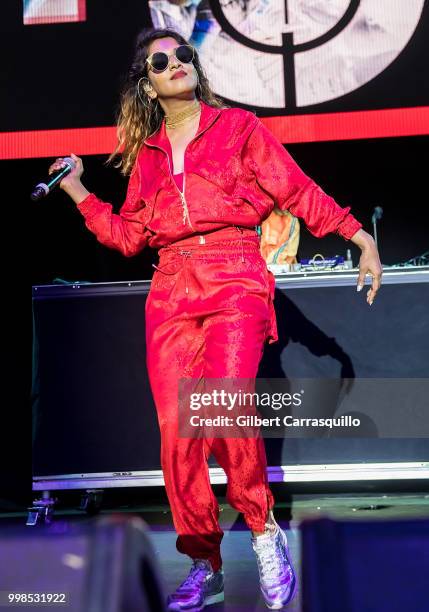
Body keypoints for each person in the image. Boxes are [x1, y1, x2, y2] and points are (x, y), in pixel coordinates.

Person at [48, 27, 382, 611]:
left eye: (184, 54)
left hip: (234, 274)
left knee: (225, 405)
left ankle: (261, 530)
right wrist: (78, 190)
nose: (176, 62)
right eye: (161, 60)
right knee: (179, 433)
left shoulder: (238, 129)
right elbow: (129, 238)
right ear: (148, 85)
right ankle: (204, 562)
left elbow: (294, 189)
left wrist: (358, 237)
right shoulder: (147, 157)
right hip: (171, 287)